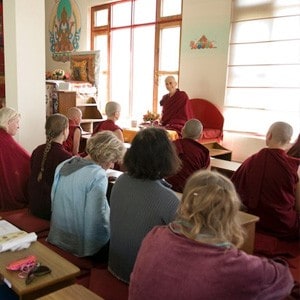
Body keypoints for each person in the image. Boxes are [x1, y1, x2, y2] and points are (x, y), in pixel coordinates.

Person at [129, 170, 294, 300]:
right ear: (230, 213)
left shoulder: (155, 234)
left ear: (185, 204)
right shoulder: (233, 265)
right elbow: (285, 281)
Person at [108, 127, 181, 283]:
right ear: (166, 157)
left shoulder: (121, 181)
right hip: (142, 278)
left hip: (114, 265)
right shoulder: (168, 199)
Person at [47, 131, 125, 258]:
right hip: (77, 244)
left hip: (58, 234)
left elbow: (53, 199)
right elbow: (95, 217)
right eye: (112, 160)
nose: (111, 165)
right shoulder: (97, 175)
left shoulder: (65, 164)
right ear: (105, 155)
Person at [231, 121, 300, 240]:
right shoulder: (294, 166)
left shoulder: (251, 160)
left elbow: (233, 188)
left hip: (253, 219)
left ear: (269, 135)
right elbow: (298, 205)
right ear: (289, 141)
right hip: (282, 223)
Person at [27, 114, 72, 220]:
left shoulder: (37, 150)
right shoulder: (65, 156)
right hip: (52, 210)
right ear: (64, 131)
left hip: (34, 204)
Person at [166, 119, 210, 192]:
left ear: (182, 131)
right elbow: (205, 178)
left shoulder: (171, 145)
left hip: (168, 189)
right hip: (189, 192)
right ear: (200, 135)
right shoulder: (203, 152)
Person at [0, 107, 30, 210]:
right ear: (8, 122)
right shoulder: (5, 140)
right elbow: (26, 161)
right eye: (17, 122)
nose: (18, 126)